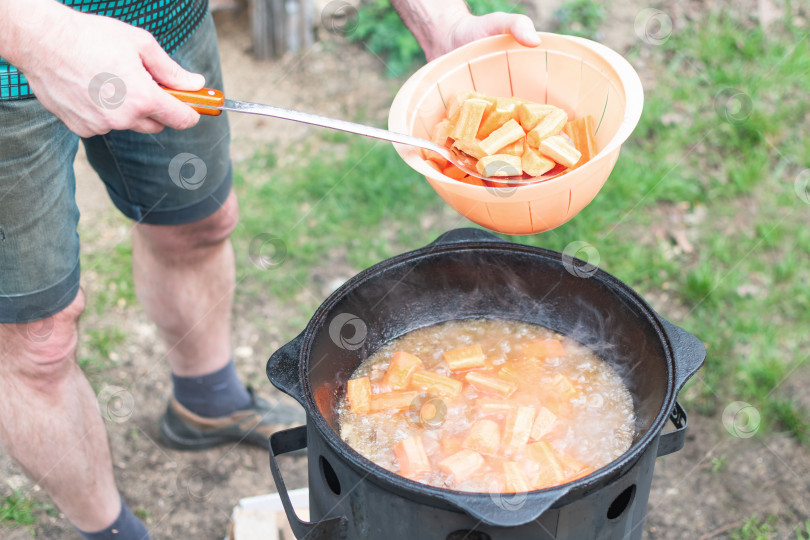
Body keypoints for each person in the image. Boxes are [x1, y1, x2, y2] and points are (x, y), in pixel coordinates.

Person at [0, 0, 540, 538]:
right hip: (10, 64)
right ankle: (109, 531)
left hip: (163, 26)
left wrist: (441, 22)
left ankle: (205, 405)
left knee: (198, 227)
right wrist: (37, 34)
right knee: (36, 341)